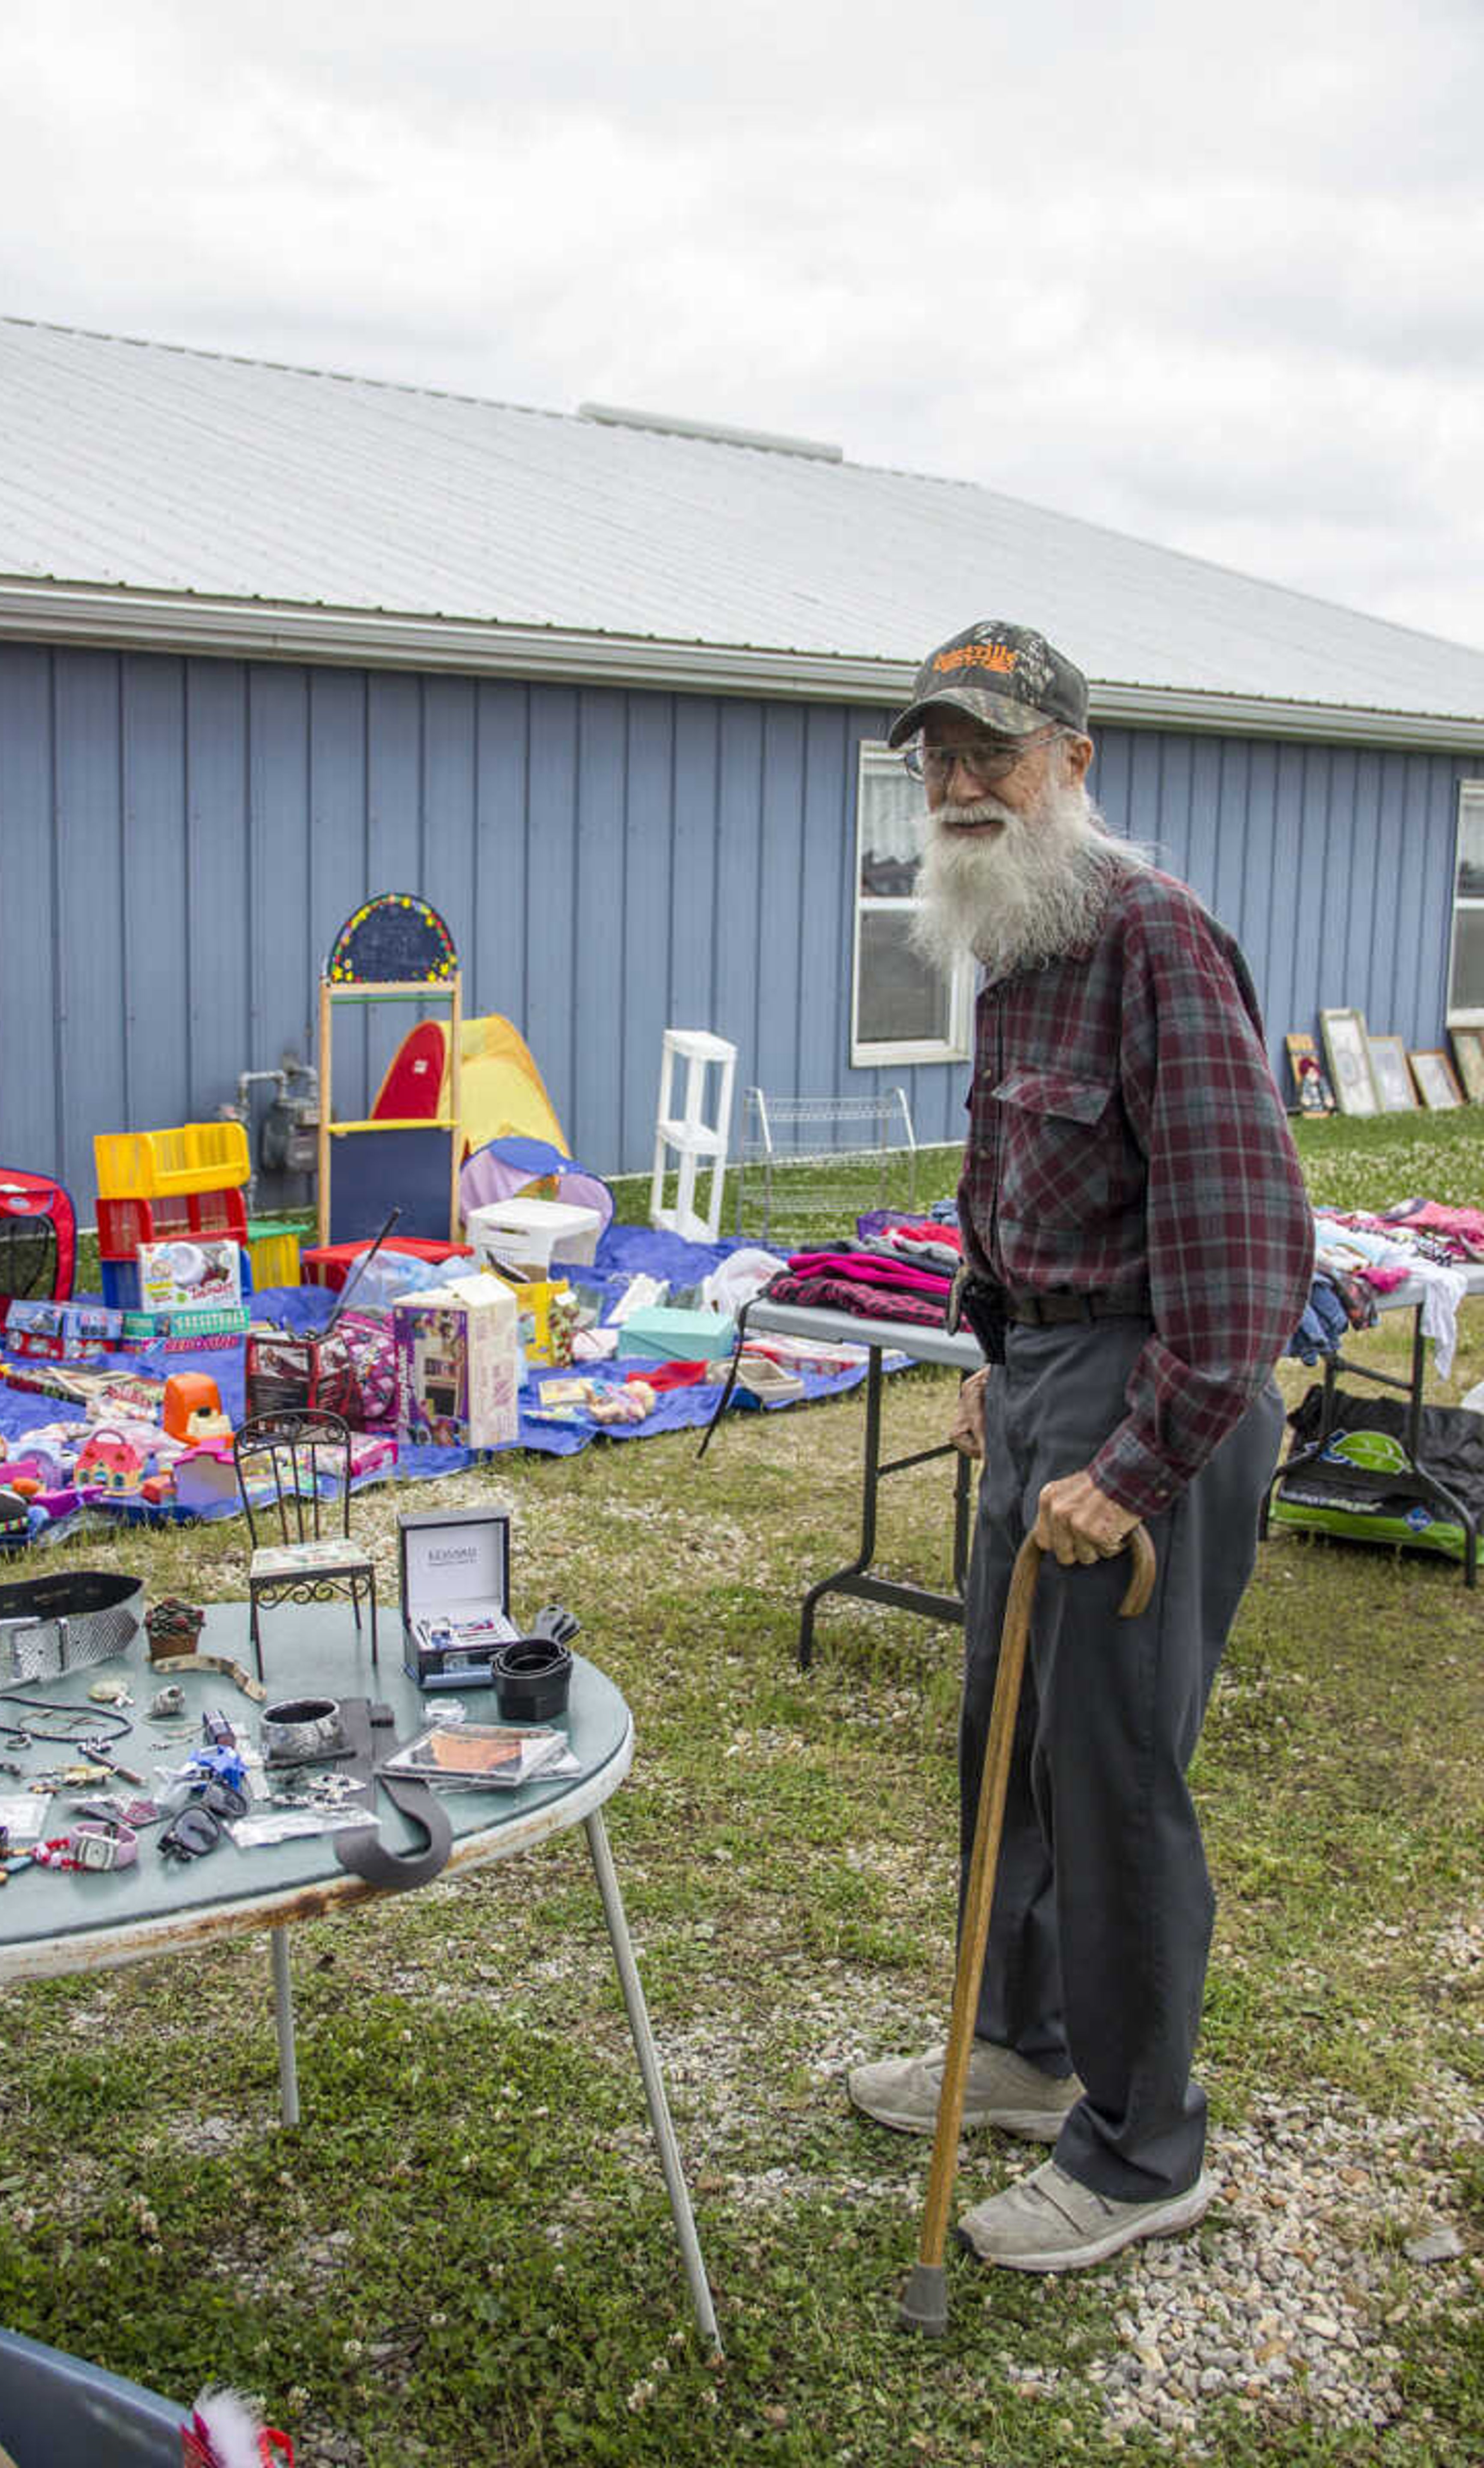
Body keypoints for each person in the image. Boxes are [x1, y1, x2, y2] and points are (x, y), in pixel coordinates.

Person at [847, 620, 1315, 2273]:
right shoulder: (1018, 930)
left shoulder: (1153, 940)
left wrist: (1127, 1464)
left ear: (1071, 764)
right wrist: (997, 1358)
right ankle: (1030, 2054)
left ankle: (1143, 2147)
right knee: (1010, 1744)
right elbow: (1019, 1193)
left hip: (1156, 1394)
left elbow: (1251, 1257)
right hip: (1049, 1378)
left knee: (1113, 1777)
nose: (960, 781)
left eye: (992, 748)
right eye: (937, 755)